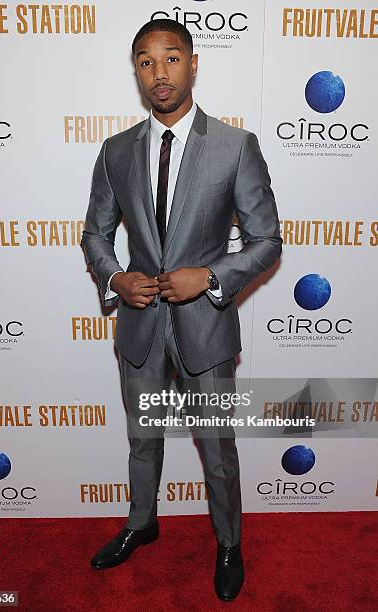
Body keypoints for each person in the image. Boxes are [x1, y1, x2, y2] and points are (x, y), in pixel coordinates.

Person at [81, 19, 282, 602]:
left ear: (194, 64)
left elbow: (267, 239)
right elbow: (95, 232)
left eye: (171, 58)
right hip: (140, 327)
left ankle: (228, 543)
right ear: (136, 71)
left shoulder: (234, 145)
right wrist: (117, 277)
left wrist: (212, 276)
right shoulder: (116, 150)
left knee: (217, 450)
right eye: (145, 61)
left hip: (207, 328)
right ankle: (142, 524)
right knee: (142, 437)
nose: (159, 72)